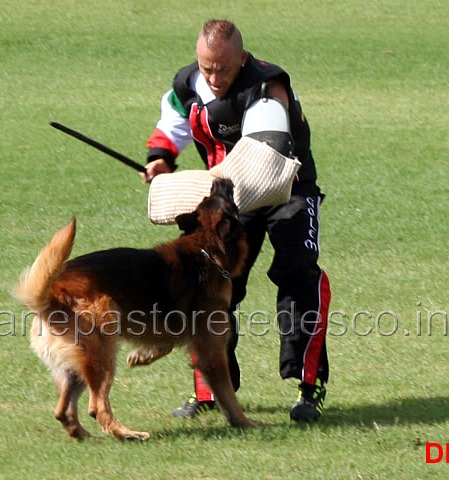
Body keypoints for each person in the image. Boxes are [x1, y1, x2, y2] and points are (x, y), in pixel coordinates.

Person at [143, 19, 331, 422]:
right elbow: (170, 128)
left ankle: (308, 386)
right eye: (206, 67)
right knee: (207, 284)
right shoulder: (187, 85)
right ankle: (211, 389)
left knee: (298, 271)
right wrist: (161, 159)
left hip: (286, 189)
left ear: (241, 59)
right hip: (228, 197)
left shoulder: (268, 88)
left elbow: (261, 157)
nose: (213, 77)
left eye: (223, 69)